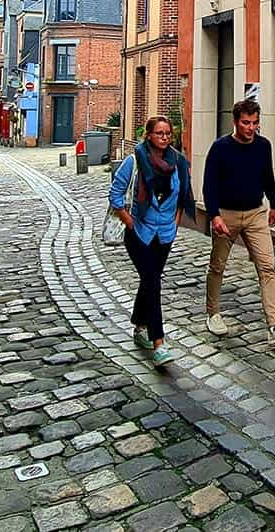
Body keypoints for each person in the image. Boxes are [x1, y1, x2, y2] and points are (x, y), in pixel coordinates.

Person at [203, 99, 275, 347]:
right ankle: (213, 313)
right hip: (227, 214)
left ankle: (274, 326)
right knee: (218, 266)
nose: (251, 128)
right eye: (246, 123)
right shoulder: (220, 148)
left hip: (256, 212)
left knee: (267, 266)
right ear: (235, 121)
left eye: (255, 123)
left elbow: (268, 174)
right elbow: (209, 184)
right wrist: (214, 215)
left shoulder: (263, 145)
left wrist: (274, 203)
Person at [109, 115, 195, 366]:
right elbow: (115, 195)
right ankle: (159, 344)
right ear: (149, 135)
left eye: (168, 133)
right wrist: (131, 222)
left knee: (149, 282)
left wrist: (176, 222)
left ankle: (139, 325)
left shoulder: (178, 161)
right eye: (159, 133)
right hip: (140, 234)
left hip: (165, 234)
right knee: (153, 283)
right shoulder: (135, 160)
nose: (165, 138)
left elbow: (183, 196)